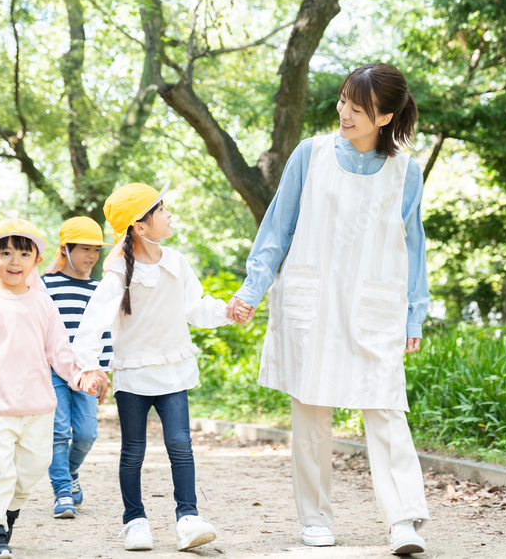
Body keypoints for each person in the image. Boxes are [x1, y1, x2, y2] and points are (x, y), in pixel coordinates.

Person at [227, 62, 431, 555]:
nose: (344, 112)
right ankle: (315, 519)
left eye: (357, 109)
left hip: (373, 303)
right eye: (343, 100)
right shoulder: (310, 154)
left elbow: (414, 246)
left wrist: (414, 312)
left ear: (384, 118)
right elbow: (277, 228)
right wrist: (251, 291)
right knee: (311, 411)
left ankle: (403, 519)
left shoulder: (406, 171)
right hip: (312, 300)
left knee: (385, 406)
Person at [72, 182, 248, 552]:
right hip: (134, 374)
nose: (169, 215)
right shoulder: (119, 271)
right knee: (133, 450)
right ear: (139, 225)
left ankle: (188, 518)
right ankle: (135, 521)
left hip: (173, 371)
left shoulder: (175, 262)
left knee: (181, 444)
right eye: (161, 209)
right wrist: (89, 367)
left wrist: (226, 311)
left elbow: (196, 306)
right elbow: (92, 322)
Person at [0, 218, 105, 559]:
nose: (14, 261)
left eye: (23, 254)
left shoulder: (44, 304)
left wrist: (81, 377)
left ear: (35, 261)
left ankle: (8, 512)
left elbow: (60, 351)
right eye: (5, 253)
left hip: (39, 407)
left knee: (33, 468)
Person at [41, 216, 113, 519]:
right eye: (84, 249)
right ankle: (61, 491)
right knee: (58, 432)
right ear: (65, 249)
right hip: (52, 372)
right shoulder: (44, 285)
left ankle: (69, 472)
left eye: (96, 251)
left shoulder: (100, 288)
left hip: (86, 371)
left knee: (86, 434)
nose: (92, 257)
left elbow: (104, 332)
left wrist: (103, 371)